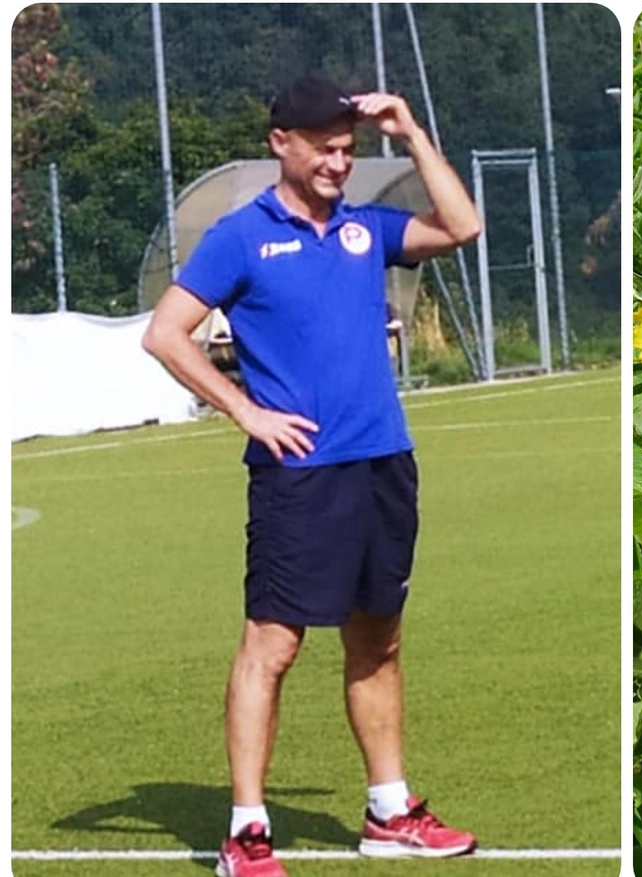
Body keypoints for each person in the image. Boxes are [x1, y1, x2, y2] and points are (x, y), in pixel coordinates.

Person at [142, 76, 483, 877]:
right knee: (273, 645)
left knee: (379, 639)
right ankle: (247, 833)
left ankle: (389, 810)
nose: (338, 161)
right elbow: (166, 334)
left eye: (347, 146)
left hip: (383, 463)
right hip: (299, 475)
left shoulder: (366, 227)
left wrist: (407, 129)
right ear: (280, 145)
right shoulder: (239, 236)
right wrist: (246, 412)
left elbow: (463, 225)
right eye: (324, 147)